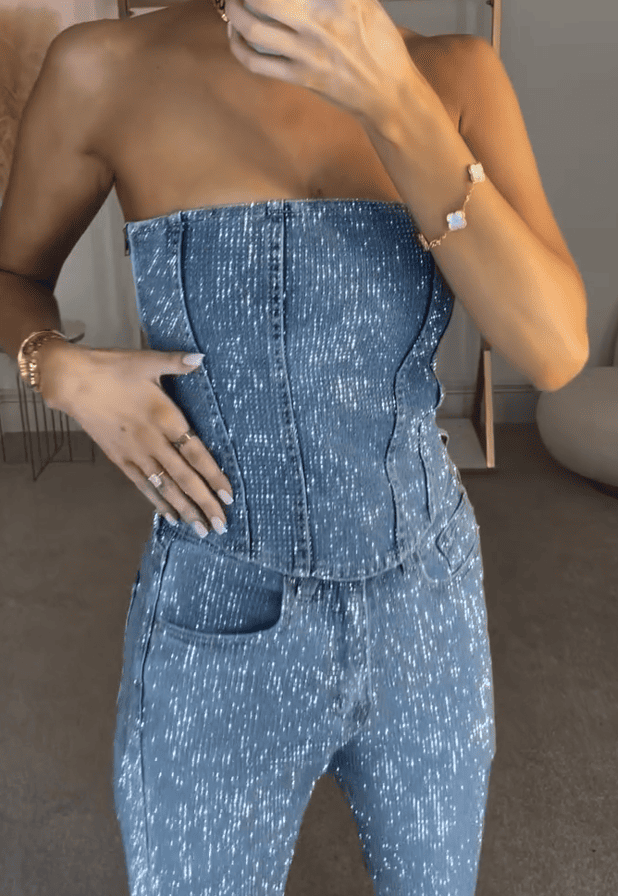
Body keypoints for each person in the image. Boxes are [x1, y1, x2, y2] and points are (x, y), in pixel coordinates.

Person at [0, 0, 588, 894]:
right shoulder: (103, 67)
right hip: (214, 598)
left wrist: (394, 100)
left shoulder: (456, 75)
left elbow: (553, 351)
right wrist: (61, 369)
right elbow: (11, 276)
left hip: (425, 604)